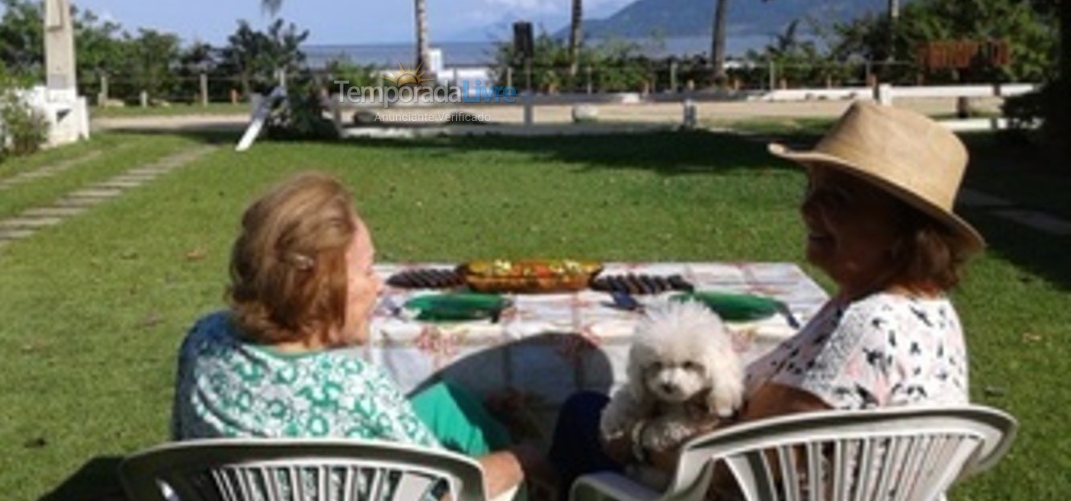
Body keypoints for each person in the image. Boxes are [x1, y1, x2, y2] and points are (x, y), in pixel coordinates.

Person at [552, 100, 985, 490]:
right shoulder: (931, 309)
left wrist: (641, 443)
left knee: (580, 414)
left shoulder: (866, 329)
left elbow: (734, 467)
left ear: (906, 231)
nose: (807, 209)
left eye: (836, 199)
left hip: (724, 487)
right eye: (810, 189)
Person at [172, 171, 548, 500]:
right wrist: (525, 455)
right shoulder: (354, 390)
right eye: (367, 270)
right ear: (322, 287)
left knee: (448, 402)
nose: (379, 285)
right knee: (505, 473)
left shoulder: (203, 340)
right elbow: (445, 492)